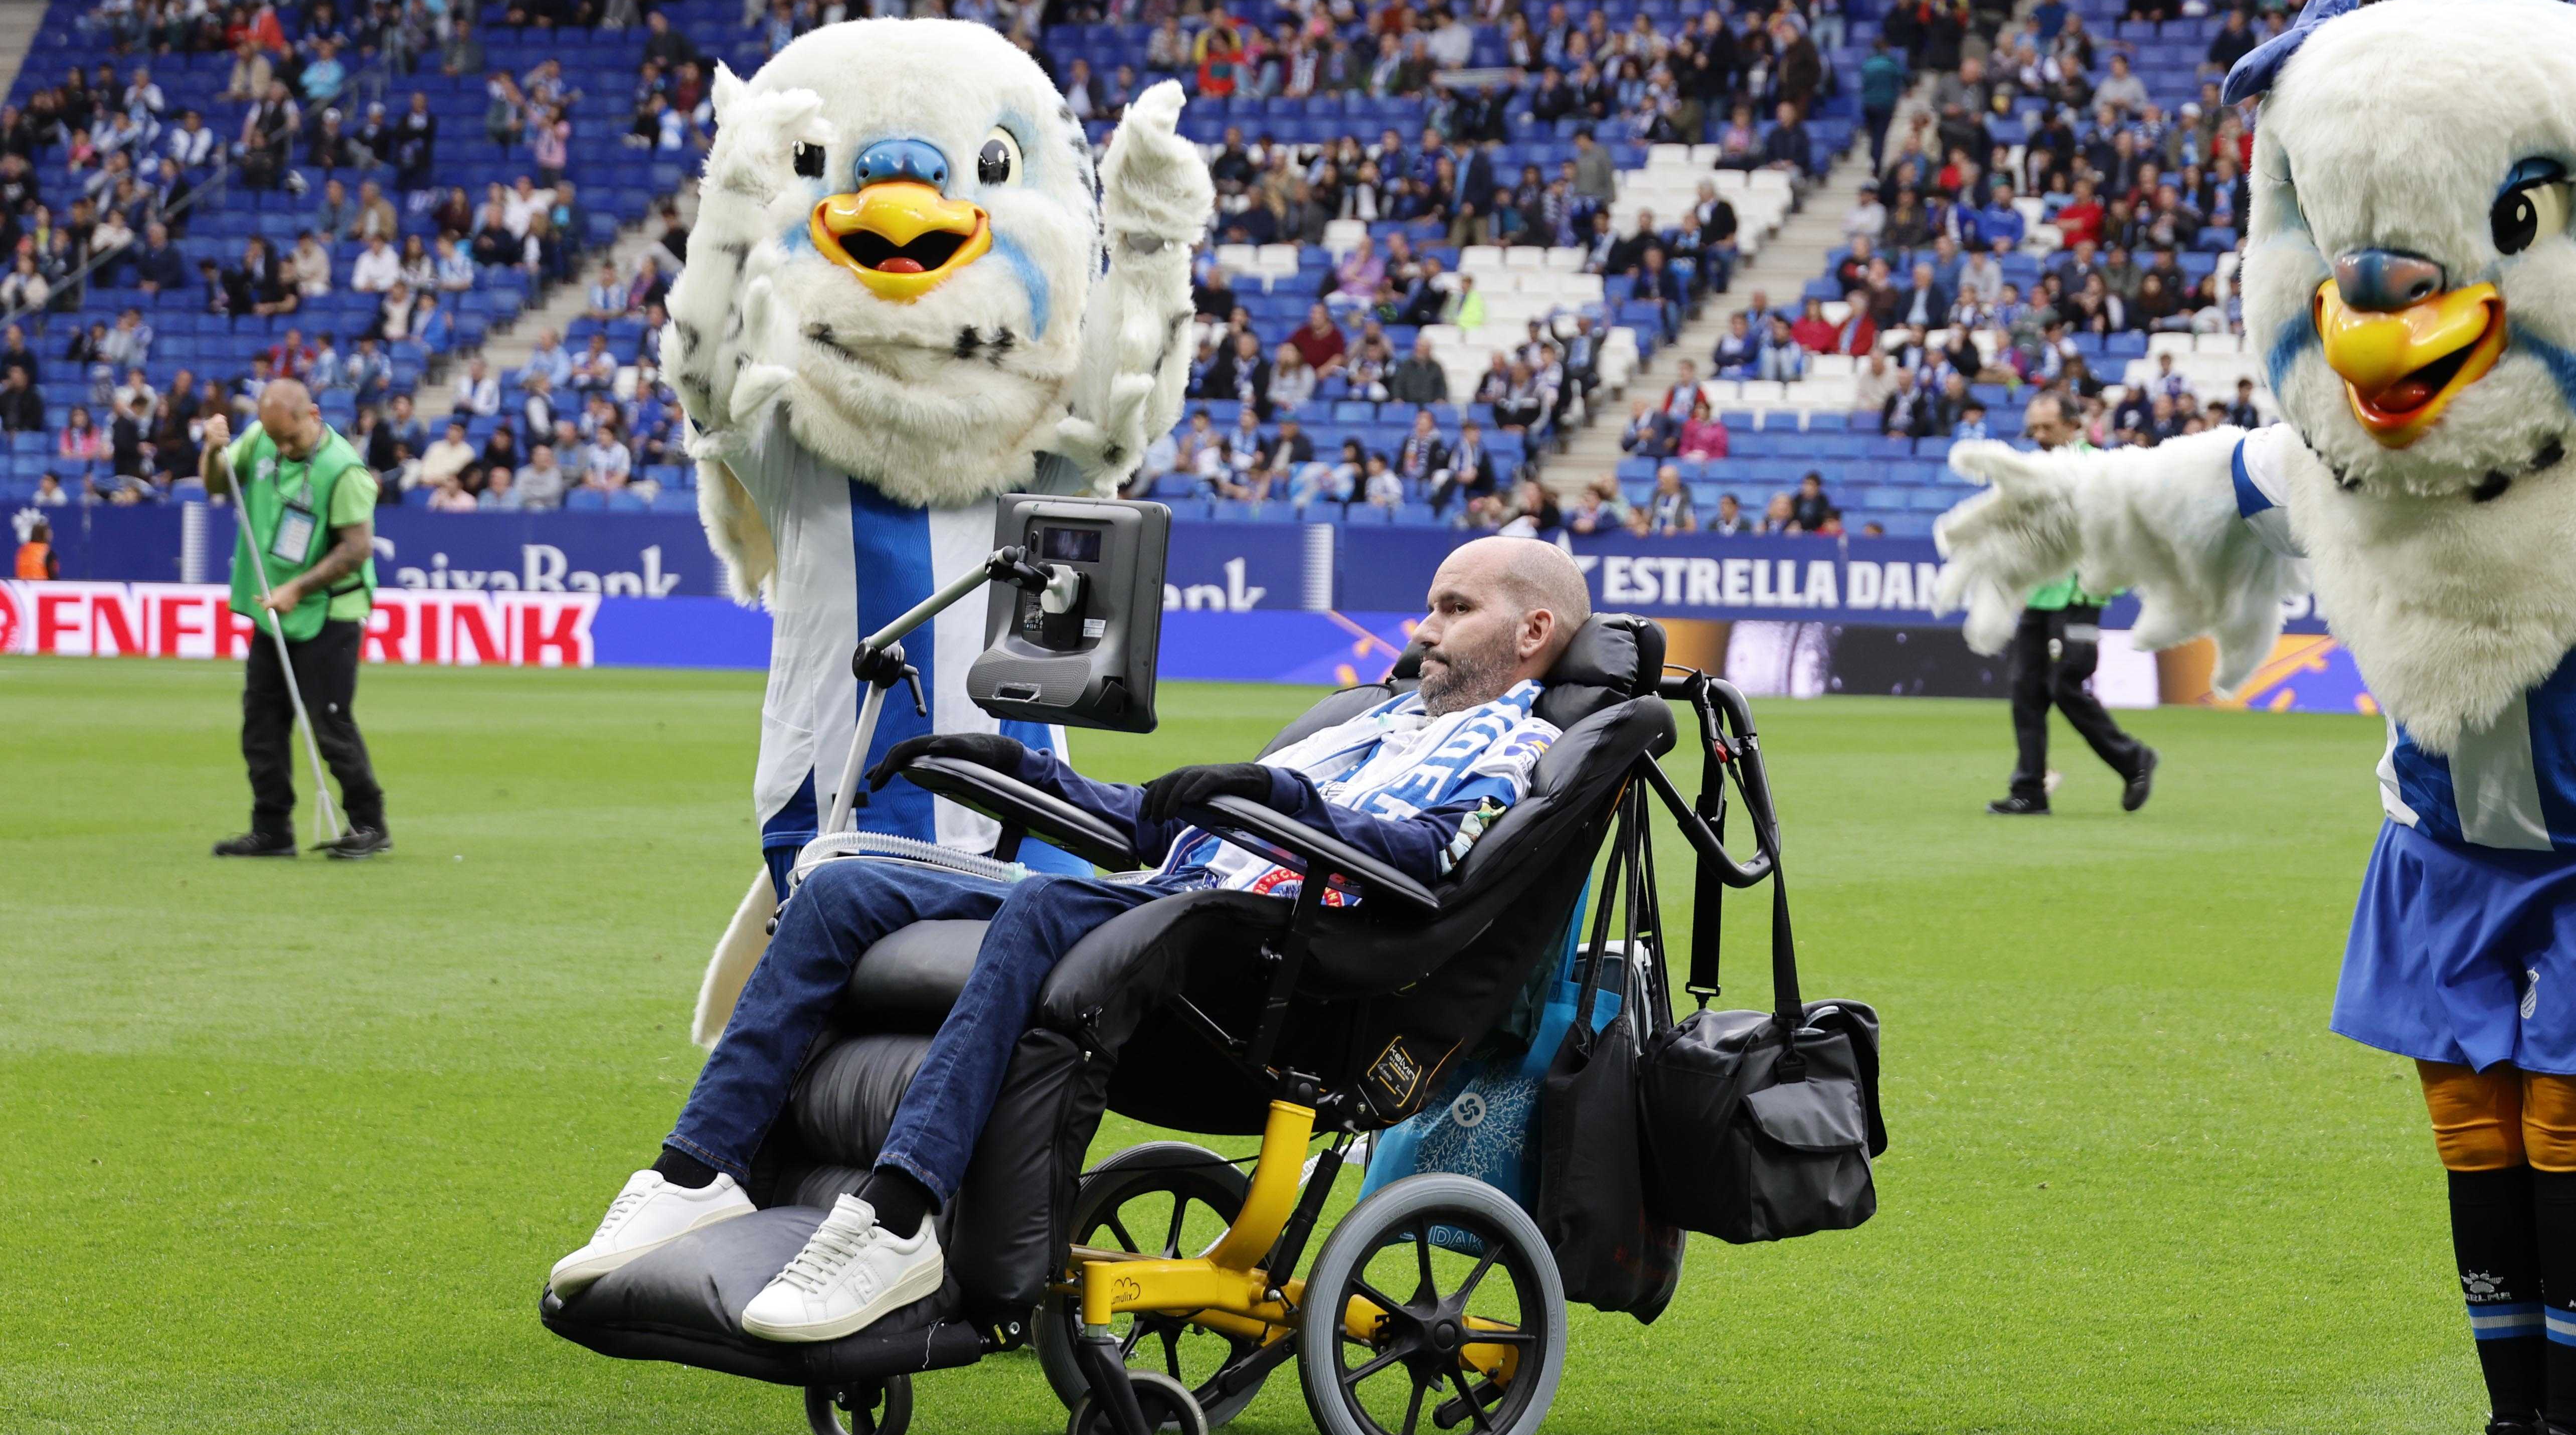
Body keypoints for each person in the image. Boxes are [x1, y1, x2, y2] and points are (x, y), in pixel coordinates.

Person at [545, 537, 1591, 1339]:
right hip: (1173, 916)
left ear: (1533, 631)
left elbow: (1428, 861)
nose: (1427, 626)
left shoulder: (1523, 741)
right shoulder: (1367, 720)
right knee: (845, 891)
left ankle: (901, 1216)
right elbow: (1148, 818)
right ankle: (697, 1174)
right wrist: (1017, 766)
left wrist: (1268, 792)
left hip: (1271, 968)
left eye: (1457, 607)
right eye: (1432, 604)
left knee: (1050, 909)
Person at [201, 380, 390, 859]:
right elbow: (218, 483)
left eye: (291, 439)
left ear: (313, 414)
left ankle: (370, 824)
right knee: (261, 723)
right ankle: (272, 828)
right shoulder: (264, 437)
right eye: (275, 439)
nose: (283, 449)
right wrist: (211, 450)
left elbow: (356, 549)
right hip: (273, 609)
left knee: (329, 723)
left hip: (330, 610)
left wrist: (298, 588)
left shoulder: (342, 469)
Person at [1988, 391, 2156, 817]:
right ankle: (2029, 790)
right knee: (2026, 690)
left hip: (2081, 593)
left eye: (2049, 427)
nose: (2041, 436)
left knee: (2066, 683)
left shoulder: (2096, 468)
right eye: (2035, 429)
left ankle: (2132, 758)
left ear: (2074, 425)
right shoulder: (2030, 472)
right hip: (2041, 594)